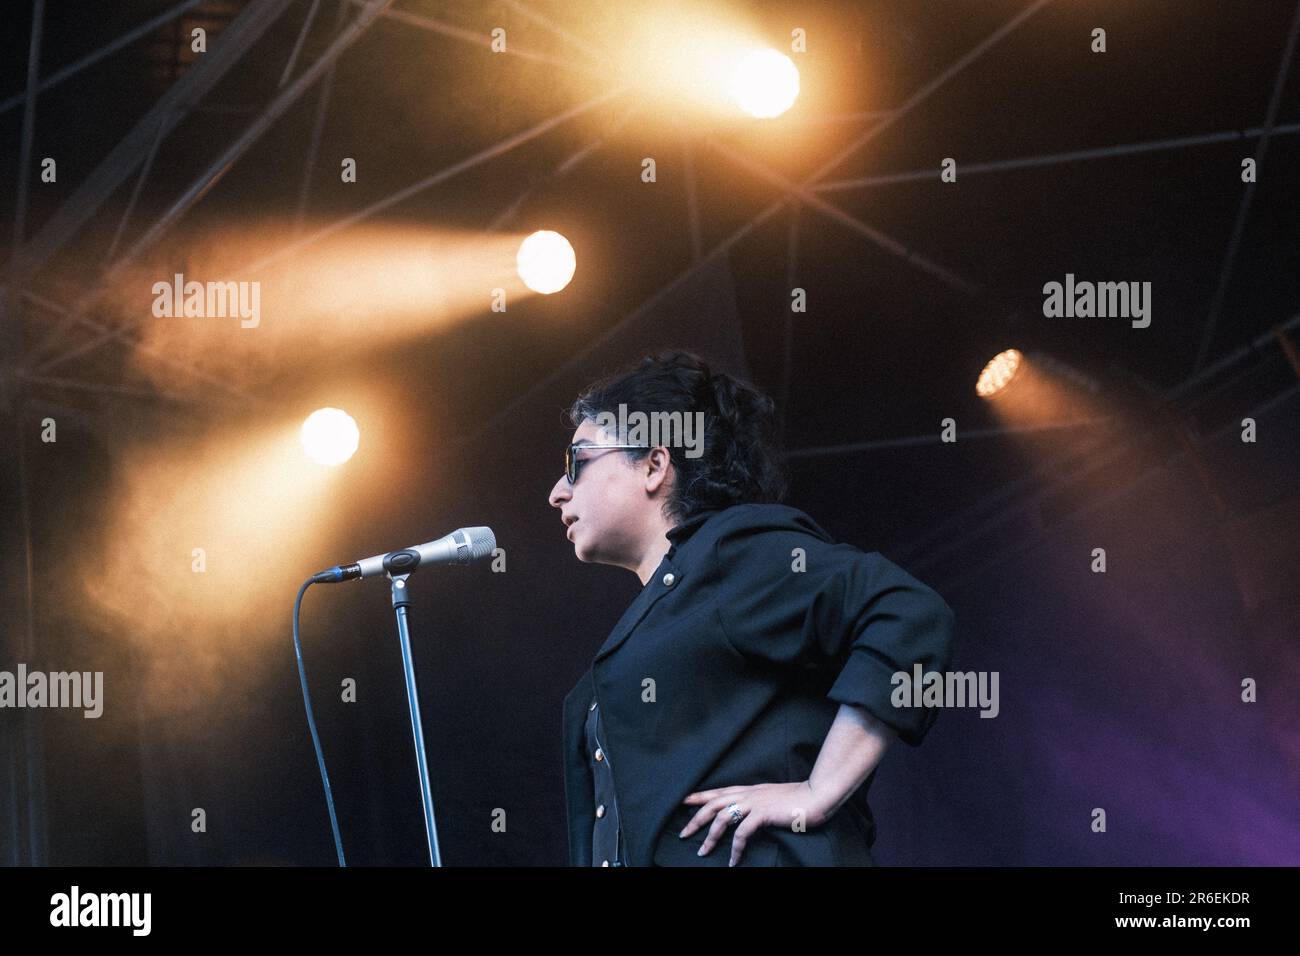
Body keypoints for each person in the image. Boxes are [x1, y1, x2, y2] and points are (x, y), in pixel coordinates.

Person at [548, 350, 955, 866]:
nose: (558, 492)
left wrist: (819, 790)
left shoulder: (732, 552)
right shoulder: (675, 597)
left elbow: (910, 613)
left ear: (654, 464)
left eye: (576, 461)